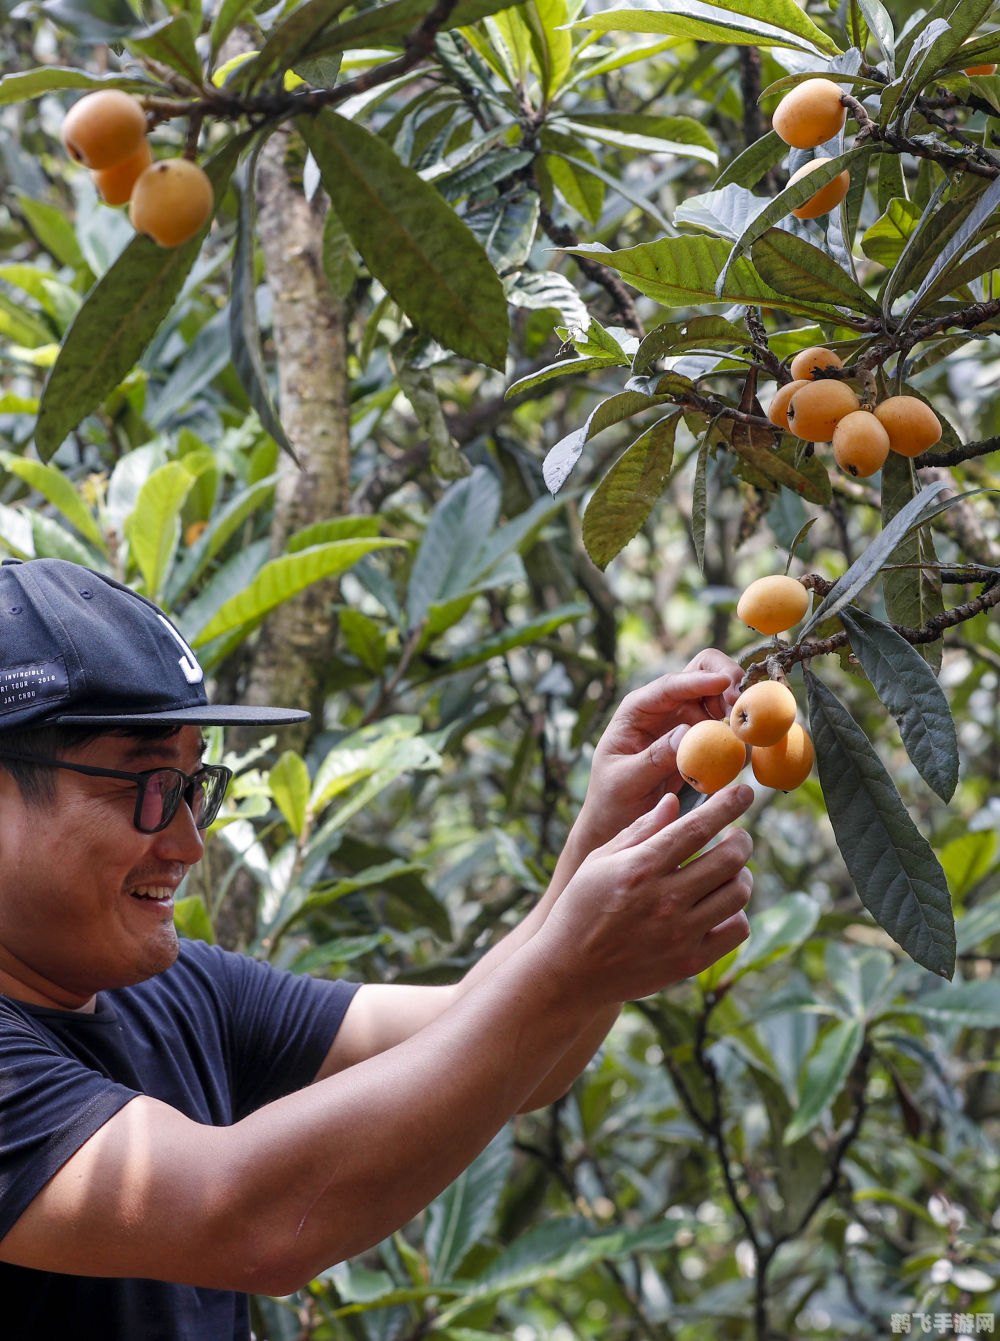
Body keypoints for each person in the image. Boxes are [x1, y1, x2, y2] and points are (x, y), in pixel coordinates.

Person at [0, 556, 755, 1339]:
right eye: (148, 786)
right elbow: (245, 1220)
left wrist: (614, 828)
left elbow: (493, 1040)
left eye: (194, 785)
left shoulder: (177, 989)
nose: (190, 843)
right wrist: (572, 959)